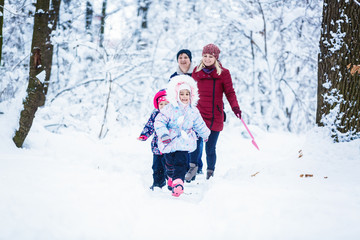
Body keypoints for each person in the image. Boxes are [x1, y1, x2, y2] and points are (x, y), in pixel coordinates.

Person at [190, 43, 242, 180]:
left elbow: (230, 93)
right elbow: (190, 91)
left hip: (215, 115)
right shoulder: (196, 71)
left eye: (210, 56)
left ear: (216, 58)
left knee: (210, 148)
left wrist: (235, 107)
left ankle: (210, 172)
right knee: (194, 144)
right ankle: (192, 169)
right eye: (205, 56)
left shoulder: (224, 73)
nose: (207, 59)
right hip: (198, 115)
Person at [154, 75, 210, 197]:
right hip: (169, 140)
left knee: (182, 162)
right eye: (182, 94)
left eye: (187, 94)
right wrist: (163, 133)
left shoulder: (193, 111)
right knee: (169, 163)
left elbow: (199, 124)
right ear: (176, 95)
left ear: (191, 95)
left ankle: (178, 183)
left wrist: (205, 134)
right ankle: (170, 176)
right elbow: (159, 121)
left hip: (185, 141)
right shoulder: (169, 108)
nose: (185, 97)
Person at [170, 49, 204, 176]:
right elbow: (171, 94)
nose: (183, 60)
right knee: (183, 136)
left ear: (190, 59)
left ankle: (196, 165)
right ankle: (185, 165)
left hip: (197, 110)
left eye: (186, 57)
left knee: (196, 138)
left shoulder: (197, 74)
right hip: (180, 112)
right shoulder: (173, 77)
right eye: (180, 57)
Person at [137, 89, 169, 190]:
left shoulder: (173, 115)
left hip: (169, 147)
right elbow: (149, 126)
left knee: (169, 166)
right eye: (161, 104)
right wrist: (144, 135)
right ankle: (157, 183)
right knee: (156, 167)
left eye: (166, 104)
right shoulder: (155, 115)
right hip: (157, 147)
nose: (163, 107)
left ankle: (171, 182)